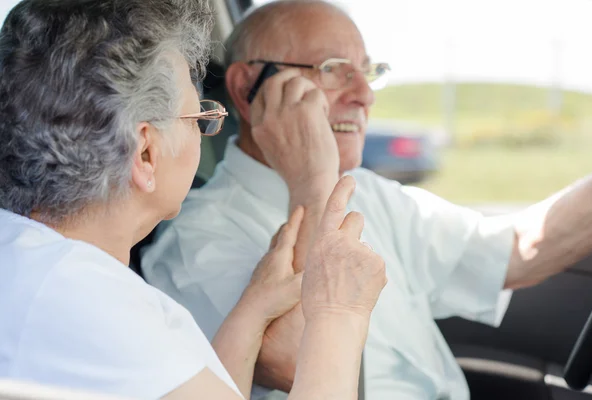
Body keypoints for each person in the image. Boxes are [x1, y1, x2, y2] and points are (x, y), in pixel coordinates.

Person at [141, 0, 592, 399]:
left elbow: (517, 251)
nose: (364, 96)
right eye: (335, 70)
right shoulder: (195, 241)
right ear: (247, 89)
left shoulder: (372, 193)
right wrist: (312, 184)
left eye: (368, 72)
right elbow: (299, 364)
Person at [0, 0, 387, 399]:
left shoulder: (31, 261)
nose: (206, 133)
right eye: (200, 118)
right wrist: (340, 312)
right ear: (146, 153)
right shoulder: (98, 306)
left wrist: (250, 314)